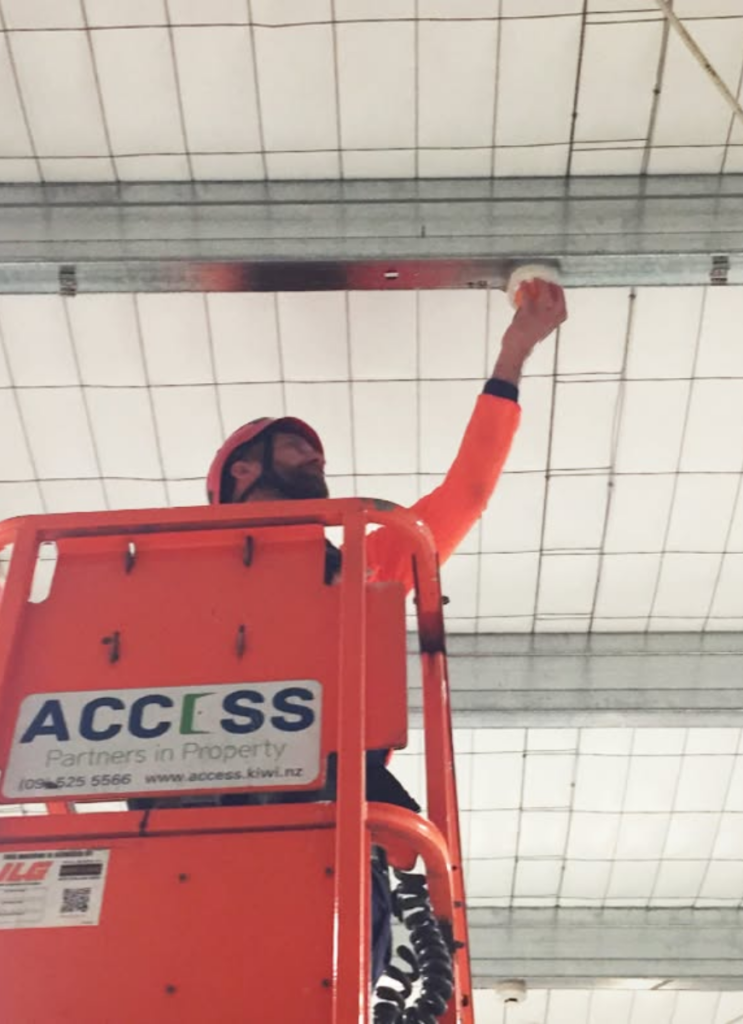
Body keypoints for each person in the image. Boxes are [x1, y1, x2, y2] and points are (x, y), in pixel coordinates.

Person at [204, 280, 568, 984]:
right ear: (242, 471)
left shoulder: (369, 556)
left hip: (331, 814)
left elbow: (465, 493)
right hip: (198, 812)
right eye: (294, 451)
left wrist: (514, 354)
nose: (317, 461)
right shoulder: (167, 574)